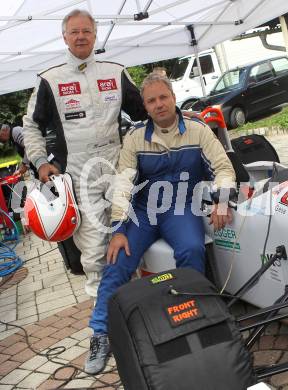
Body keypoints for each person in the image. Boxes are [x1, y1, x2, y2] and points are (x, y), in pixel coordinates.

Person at [84, 73, 236, 374]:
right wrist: (117, 230)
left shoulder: (198, 129)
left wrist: (221, 200)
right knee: (117, 260)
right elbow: (123, 185)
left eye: (163, 97)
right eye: (151, 100)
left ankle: (196, 319)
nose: (158, 104)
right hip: (142, 210)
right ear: (145, 106)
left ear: (173, 98)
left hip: (180, 206)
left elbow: (223, 166)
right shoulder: (135, 138)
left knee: (193, 249)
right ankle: (100, 334)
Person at [23, 9, 148, 298]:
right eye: (75, 31)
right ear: (64, 37)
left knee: (132, 238)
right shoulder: (49, 80)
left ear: (95, 34)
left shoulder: (115, 72)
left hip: (119, 169)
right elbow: (30, 125)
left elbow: (145, 111)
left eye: (86, 31)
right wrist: (40, 162)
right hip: (77, 177)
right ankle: (104, 328)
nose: (81, 36)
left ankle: (142, 309)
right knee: (94, 252)